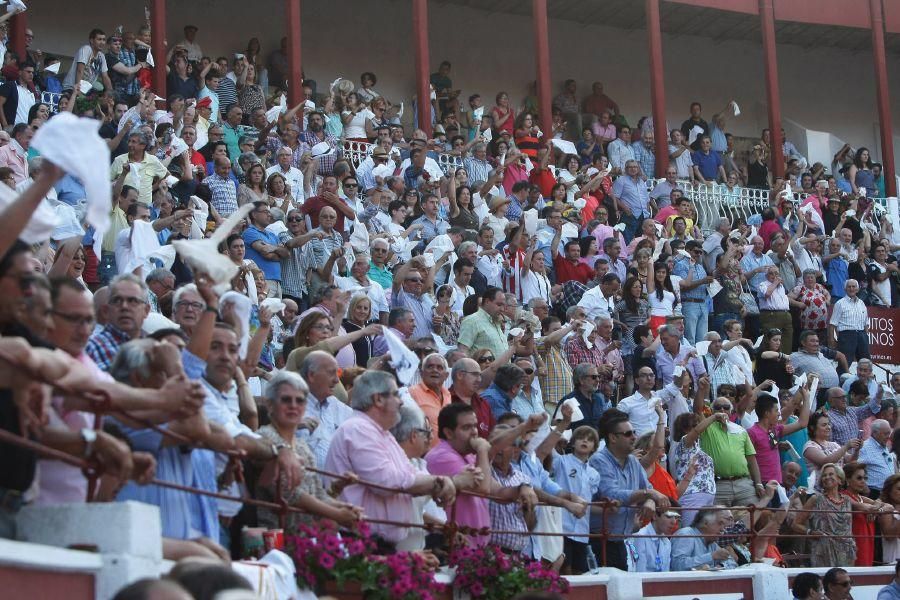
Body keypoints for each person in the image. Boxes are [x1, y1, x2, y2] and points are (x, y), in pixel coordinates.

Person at [325, 370, 456, 551]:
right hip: (363, 541)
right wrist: (437, 482)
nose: (401, 401)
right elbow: (387, 481)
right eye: (395, 394)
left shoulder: (380, 432)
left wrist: (437, 485)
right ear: (378, 399)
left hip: (379, 542)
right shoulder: (358, 429)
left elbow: (409, 472)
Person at [591, 408, 670, 569]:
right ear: (612, 437)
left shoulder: (633, 462)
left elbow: (648, 488)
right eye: (628, 434)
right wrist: (649, 494)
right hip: (598, 541)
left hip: (620, 539)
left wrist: (649, 500)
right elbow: (612, 494)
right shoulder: (598, 461)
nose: (634, 437)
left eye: (633, 432)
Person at [792, 463, 856, 567]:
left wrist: (880, 507)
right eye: (824, 475)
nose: (827, 477)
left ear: (840, 479)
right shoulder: (815, 499)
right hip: (823, 551)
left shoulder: (847, 500)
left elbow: (864, 506)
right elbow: (795, 524)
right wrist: (810, 532)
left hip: (846, 550)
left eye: (831, 474)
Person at [671, 508, 737, 571]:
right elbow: (677, 565)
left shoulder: (711, 542)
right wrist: (711, 556)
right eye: (719, 524)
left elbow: (731, 562)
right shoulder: (686, 534)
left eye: (723, 525)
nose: (723, 529)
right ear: (705, 523)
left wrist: (721, 566)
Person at [625, 508, 679, 573]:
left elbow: (665, 573)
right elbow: (640, 572)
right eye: (669, 516)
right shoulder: (640, 536)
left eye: (676, 517)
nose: (674, 522)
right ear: (655, 516)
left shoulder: (667, 542)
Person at [828, 279, 869, 363]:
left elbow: (866, 323)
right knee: (845, 362)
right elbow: (832, 324)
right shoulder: (840, 303)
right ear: (845, 289)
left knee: (866, 362)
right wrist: (832, 340)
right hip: (846, 336)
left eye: (854, 286)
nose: (851, 289)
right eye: (849, 287)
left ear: (857, 289)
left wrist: (865, 337)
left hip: (862, 335)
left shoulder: (862, 303)